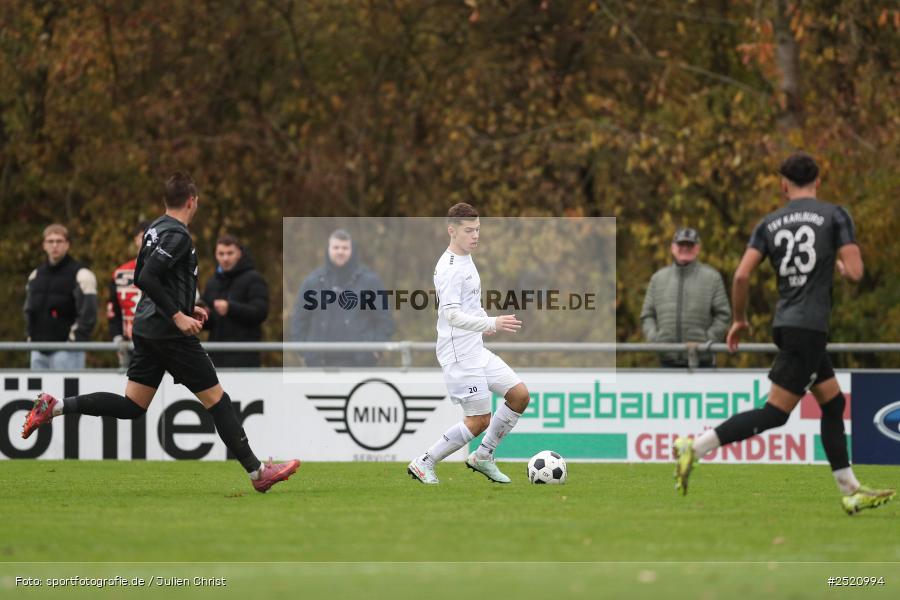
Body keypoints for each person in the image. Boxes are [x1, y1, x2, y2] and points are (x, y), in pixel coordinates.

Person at [22, 172, 299, 493]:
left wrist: (184, 304)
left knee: (132, 406)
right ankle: (257, 472)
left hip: (147, 327)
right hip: (167, 332)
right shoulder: (177, 235)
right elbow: (148, 277)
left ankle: (55, 406)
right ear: (192, 201)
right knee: (218, 400)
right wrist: (178, 314)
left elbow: (142, 274)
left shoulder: (154, 229)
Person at [673, 153, 895, 514]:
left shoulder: (770, 223)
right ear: (817, 181)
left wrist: (740, 320)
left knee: (834, 402)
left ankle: (850, 488)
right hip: (809, 329)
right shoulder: (835, 215)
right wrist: (839, 266)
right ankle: (695, 447)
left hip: (789, 324)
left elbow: (742, 275)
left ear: (783, 184)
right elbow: (855, 272)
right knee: (775, 413)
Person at [407, 203, 530, 484]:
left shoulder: (467, 259)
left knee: (519, 395)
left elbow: (468, 305)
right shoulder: (449, 268)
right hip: (459, 355)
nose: (475, 236)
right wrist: (491, 323)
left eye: (477, 230)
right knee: (479, 420)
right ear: (452, 231)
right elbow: (450, 314)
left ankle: (483, 455)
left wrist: (483, 320)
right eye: (469, 231)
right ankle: (424, 462)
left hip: (475, 349)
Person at [290, 229, 394, 367]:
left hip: (360, 363)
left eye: (345, 248)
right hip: (319, 363)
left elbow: (385, 319)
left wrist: (376, 350)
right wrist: (304, 351)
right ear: (328, 249)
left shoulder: (370, 282)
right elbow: (299, 320)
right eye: (336, 247)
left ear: (352, 250)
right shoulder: (313, 282)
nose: (340, 251)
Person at [640, 228, 730, 367]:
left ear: (697, 248)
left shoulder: (712, 278)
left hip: (703, 364)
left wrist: (707, 340)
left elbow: (723, 315)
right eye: (681, 244)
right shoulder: (658, 279)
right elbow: (647, 315)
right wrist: (655, 339)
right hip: (667, 362)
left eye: (690, 245)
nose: (685, 248)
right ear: (673, 247)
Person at [24, 224, 98, 370]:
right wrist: (30, 337)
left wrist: (73, 342)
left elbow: (88, 314)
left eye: (59, 241)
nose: (54, 245)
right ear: (44, 245)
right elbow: (29, 309)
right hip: (38, 350)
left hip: (67, 351)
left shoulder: (82, 274)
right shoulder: (35, 275)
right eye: (50, 241)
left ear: (67, 244)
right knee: (39, 393)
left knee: (68, 394)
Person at [201, 234, 269, 368]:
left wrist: (230, 308)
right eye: (221, 253)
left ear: (239, 254)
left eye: (230, 253)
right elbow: (209, 322)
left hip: (244, 358)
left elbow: (260, 312)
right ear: (216, 255)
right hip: (215, 358)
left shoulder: (254, 278)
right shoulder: (212, 282)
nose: (225, 258)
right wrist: (201, 314)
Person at [107, 221, 149, 368]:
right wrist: (117, 339)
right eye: (143, 237)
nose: (147, 241)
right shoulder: (120, 274)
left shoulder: (169, 271)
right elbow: (113, 311)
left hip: (161, 344)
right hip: (129, 345)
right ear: (135, 240)